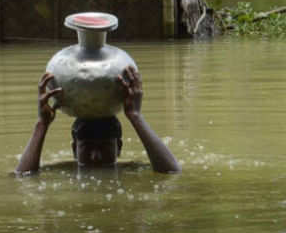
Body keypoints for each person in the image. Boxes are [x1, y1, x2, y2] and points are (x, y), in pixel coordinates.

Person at [15, 66, 181, 174]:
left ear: (119, 148)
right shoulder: (65, 170)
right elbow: (22, 177)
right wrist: (42, 125)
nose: (95, 157)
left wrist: (136, 116)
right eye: (87, 148)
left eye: (104, 147)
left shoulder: (130, 169)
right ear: (74, 149)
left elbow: (171, 172)